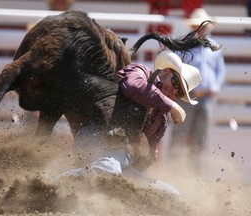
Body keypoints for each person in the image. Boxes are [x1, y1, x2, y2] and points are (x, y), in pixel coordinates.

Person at [57, 50, 202, 195]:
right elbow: (133, 86)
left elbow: (147, 159)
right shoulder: (140, 72)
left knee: (170, 193)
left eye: (180, 93)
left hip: (122, 159)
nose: (173, 91)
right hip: (97, 137)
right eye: (175, 82)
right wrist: (171, 106)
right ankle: (55, 185)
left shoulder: (161, 119)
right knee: (109, 170)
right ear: (165, 71)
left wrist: (145, 153)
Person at [168, 8, 226, 171]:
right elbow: (175, 67)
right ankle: (173, 170)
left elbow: (220, 70)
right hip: (187, 96)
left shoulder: (213, 46)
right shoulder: (184, 45)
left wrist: (215, 86)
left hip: (206, 97)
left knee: (200, 137)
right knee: (179, 135)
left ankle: (196, 173)